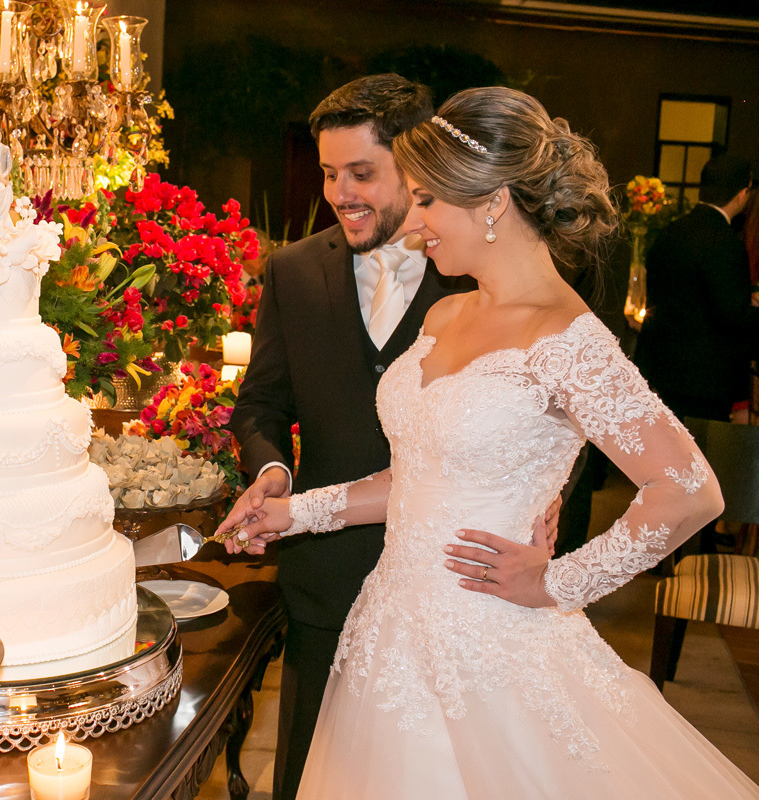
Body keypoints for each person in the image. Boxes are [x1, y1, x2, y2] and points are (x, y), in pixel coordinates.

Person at [220, 87, 759, 798]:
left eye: (429, 201)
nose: (415, 223)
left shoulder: (567, 339)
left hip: (491, 642)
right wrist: (295, 512)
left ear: (494, 201)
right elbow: (416, 479)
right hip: (389, 631)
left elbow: (690, 491)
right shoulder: (446, 311)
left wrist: (557, 582)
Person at [224, 74, 558, 800]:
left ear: (416, 168)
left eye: (362, 173)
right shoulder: (290, 272)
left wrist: (550, 493)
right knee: (310, 778)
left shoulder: (481, 274)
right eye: (328, 173)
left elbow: (557, 403)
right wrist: (274, 471)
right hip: (326, 574)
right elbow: (260, 402)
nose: (341, 192)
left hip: (458, 584)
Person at [634, 154, 758, 424]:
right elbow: (732, 315)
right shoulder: (725, 243)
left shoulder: (671, 231)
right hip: (705, 377)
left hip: (664, 368)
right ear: (741, 193)